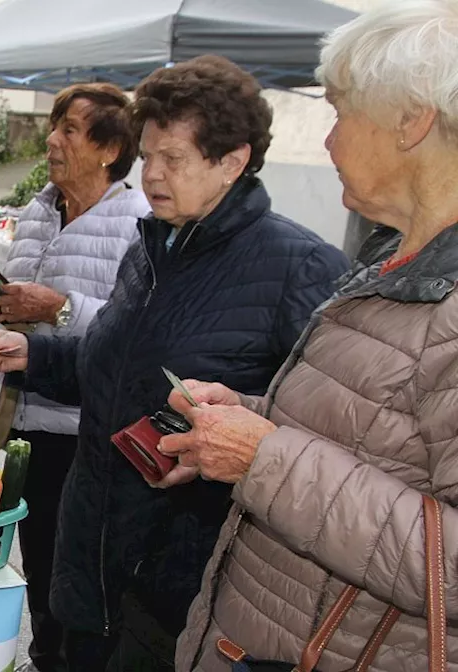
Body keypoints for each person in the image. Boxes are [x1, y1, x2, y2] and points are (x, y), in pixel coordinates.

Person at [0, 55, 349, 670]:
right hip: (91, 543)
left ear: (233, 161)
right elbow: (110, 368)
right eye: (148, 157)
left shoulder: (300, 268)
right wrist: (33, 354)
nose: (152, 175)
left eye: (173, 159)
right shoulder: (151, 247)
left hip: (180, 570)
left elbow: (323, 435)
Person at [159, 4, 458, 670]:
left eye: (341, 111)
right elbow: (373, 441)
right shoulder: (391, 261)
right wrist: (247, 420)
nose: (328, 143)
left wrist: (265, 459)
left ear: (414, 120)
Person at [0, 83, 149, 672]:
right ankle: (45, 655)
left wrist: (59, 309)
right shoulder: (39, 209)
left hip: (85, 429)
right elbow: (20, 299)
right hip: (25, 417)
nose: (51, 139)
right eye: (56, 126)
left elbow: (137, 332)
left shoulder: (138, 222)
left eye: (69, 129)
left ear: (109, 149)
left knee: (79, 577)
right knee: (37, 562)